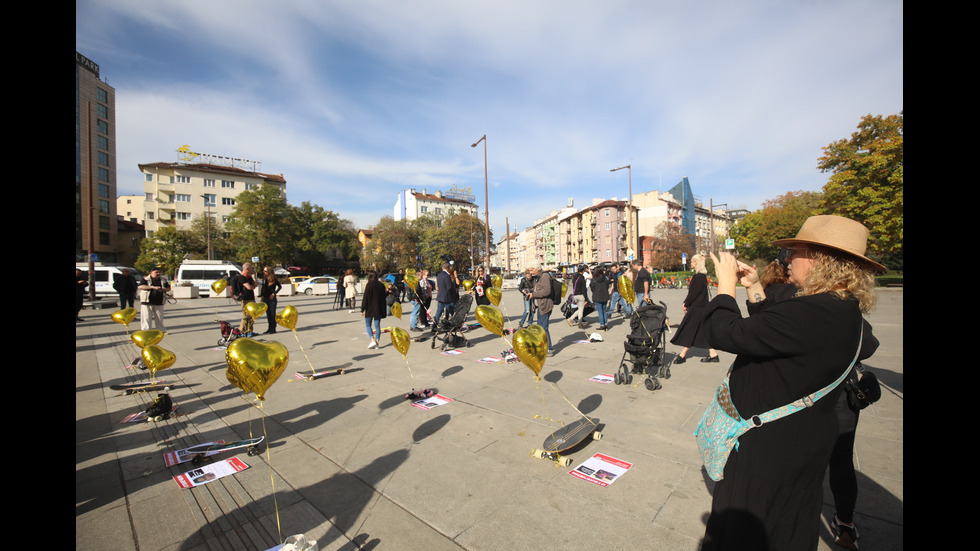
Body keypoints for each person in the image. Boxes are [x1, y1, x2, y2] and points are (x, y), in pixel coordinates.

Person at [700, 215, 884, 551]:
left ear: (818, 258)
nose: (788, 260)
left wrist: (724, 287)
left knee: (749, 525)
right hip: (802, 440)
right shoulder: (842, 309)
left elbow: (726, 333)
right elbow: (776, 334)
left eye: (793, 252)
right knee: (789, 520)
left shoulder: (815, 310)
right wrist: (754, 287)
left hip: (769, 449)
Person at [670, 254, 719, 363]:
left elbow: (694, 293)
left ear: (696, 263)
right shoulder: (701, 276)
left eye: (692, 261)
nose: (690, 263)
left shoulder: (699, 277)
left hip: (697, 307)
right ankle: (713, 353)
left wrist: (686, 303)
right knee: (701, 331)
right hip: (700, 307)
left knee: (689, 330)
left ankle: (682, 355)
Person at [530, 265, 556, 357]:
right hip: (541, 306)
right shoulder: (538, 277)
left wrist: (534, 294)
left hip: (545, 305)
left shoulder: (545, 276)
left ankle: (549, 349)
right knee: (540, 328)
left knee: (543, 328)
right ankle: (543, 347)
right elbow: (538, 289)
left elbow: (546, 291)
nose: (531, 272)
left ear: (538, 268)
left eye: (532, 269)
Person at [360, 271, 387, 349]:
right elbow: (383, 297)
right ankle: (377, 343)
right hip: (378, 308)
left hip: (370, 308)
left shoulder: (369, 285)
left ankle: (372, 340)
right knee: (377, 326)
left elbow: (366, 298)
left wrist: (362, 309)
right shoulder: (381, 285)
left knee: (368, 325)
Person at [138, 266, 171, 332]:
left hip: (159, 301)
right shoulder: (145, 279)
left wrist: (163, 289)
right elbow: (141, 286)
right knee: (146, 317)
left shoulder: (163, 280)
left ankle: (161, 331)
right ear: (151, 272)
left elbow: (169, 288)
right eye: (156, 272)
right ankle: (146, 331)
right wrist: (152, 287)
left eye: (159, 272)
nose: (158, 274)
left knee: (159, 317)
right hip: (147, 301)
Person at [232, 263, 257, 337]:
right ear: (247, 269)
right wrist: (253, 286)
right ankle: (242, 331)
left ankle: (250, 330)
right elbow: (249, 287)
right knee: (246, 316)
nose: (252, 269)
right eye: (251, 268)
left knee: (252, 316)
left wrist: (254, 278)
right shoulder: (241, 277)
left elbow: (255, 285)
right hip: (245, 299)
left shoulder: (249, 277)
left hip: (251, 298)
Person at [432, 263, 459, 331]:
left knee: (438, 313)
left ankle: (434, 326)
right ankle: (457, 325)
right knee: (452, 312)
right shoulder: (447, 276)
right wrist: (454, 292)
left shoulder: (439, 275)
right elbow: (449, 287)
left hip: (440, 296)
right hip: (447, 297)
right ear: (448, 268)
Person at [260, 266, 282, 335]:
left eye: (265, 271)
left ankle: (273, 328)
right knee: (268, 314)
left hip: (272, 298)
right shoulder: (264, 279)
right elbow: (263, 288)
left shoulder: (273, 278)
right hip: (265, 298)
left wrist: (274, 293)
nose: (264, 272)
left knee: (272, 314)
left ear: (269, 271)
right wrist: (262, 296)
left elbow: (280, 286)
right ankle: (269, 328)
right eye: (263, 271)